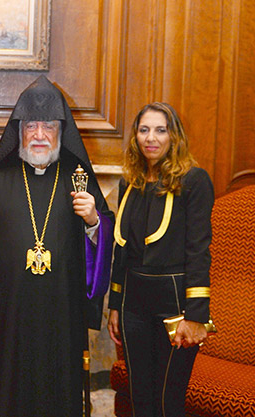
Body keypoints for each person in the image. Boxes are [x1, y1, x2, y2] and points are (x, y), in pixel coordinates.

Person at [0, 75, 114, 416]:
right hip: (7, 314)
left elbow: (104, 238)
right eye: (32, 126)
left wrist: (93, 223)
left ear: (62, 130)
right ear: (20, 130)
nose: (40, 135)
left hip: (62, 313)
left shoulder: (79, 177)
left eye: (48, 126)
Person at [107, 102, 213, 416]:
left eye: (160, 130)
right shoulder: (131, 183)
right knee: (140, 398)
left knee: (168, 403)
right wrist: (115, 305)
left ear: (173, 136)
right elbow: (121, 249)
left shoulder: (194, 181)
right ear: (135, 137)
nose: (151, 138)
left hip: (175, 306)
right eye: (144, 130)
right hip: (132, 307)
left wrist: (195, 316)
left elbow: (199, 251)